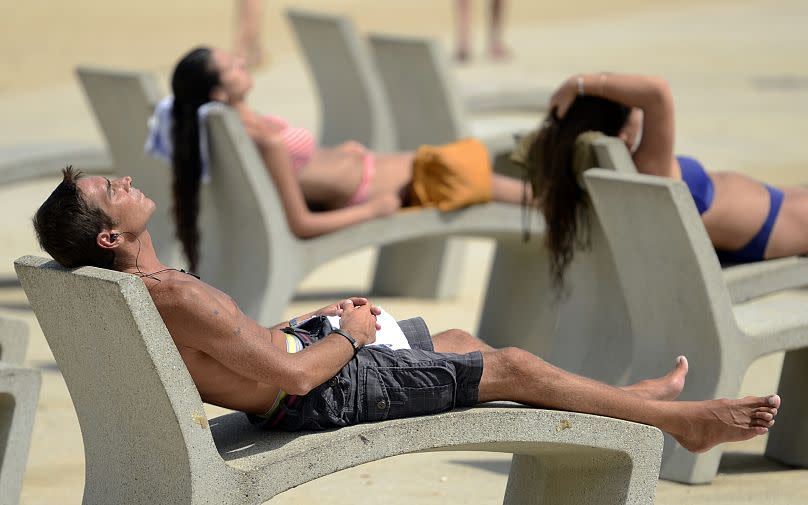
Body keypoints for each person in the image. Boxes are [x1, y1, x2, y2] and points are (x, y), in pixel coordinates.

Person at [32, 167, 780, 451]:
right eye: (113, 188)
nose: (126, 178)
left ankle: (626, 402)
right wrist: (352, 336)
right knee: (511, 365)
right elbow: (290, 384)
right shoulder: (175, 293)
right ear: (109, 233)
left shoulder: (154, 290)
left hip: (303, 358)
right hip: (314, 394)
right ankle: (682, 424)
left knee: (459, 338)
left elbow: (247, 352)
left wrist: (311, 323)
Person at [150, 46, 528, 272]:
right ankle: (550, 204)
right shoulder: (261, 140)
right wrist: (374, 210)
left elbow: (305, 170)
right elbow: (301, 222)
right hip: (382, 190)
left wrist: (338, 154)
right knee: (478, 174)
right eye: (232, 66)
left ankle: (544, 197)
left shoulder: (238, 128)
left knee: (475, 161)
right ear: (218, 93)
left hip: (383, 171)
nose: (242, 61)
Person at [520, 72, 808, 286]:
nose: (636, 108)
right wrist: (579, 84)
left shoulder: (617, 177)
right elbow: (658, 92)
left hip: (776, 212)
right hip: (780, 224)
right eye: (629, 106)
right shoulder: (648, 170)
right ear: (621, 133)